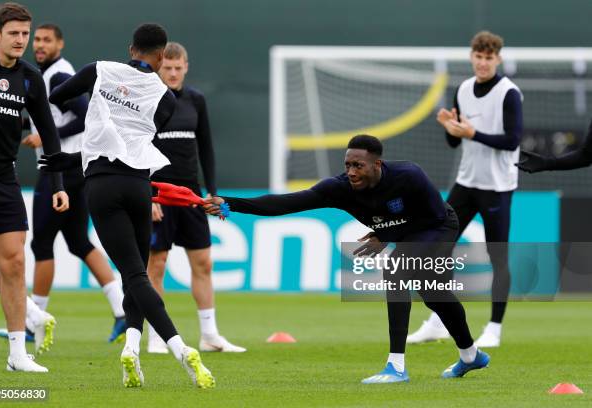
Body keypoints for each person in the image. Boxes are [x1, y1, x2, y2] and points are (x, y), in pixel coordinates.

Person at [203, 134, 490, 383]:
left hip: (437, 226)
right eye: (348, 165)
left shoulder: (409, 176)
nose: (351, 172)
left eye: (358, 165)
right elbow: (287, 203)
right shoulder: (339, 189)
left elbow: (434, 216)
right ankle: (470, 355)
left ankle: (396, 366)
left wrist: (386, 235)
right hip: (410, 232)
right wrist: (231, 204)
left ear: (377, 165)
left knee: (397, 270)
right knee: (433, 296)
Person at [40, 23, 215, 389]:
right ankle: (131, 351)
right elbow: (134, 137)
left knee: (135, 275)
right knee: (135, 274)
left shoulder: (99, 71)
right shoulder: (166, 98)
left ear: (130, 47)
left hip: (103, 187)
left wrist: (98, 105)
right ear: (161, 56)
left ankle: (181, 348)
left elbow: (57, 96)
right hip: (139, 188)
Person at [408, 31, 523, 348]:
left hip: (497, 187)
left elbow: (512, 141)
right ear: (471, 57)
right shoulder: (463, 89)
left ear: (497, 59)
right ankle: (437, 321)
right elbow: (455, 140)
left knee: (497, 256)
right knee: (436, 250)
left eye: (489, 57)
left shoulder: (508, 93)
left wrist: (472, 132)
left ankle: (494, 329)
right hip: (466, 183)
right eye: (479, 56)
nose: (483, 63)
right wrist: (451, 128)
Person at [20, 22, 126, 343]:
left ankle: (32, 322)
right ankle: (122, 310)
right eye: (36, 39)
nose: (38, 45)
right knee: (79, 242)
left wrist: (45, 136)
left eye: (46, 40)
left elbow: (81, 115)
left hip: (60, 170)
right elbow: (53, 115)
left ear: (60, 44)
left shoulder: (58, 75)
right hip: (78, 167)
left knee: (41, 245)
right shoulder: (52, 73)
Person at [0, 2, 68, 372]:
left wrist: (58, 183)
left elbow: (48, 132)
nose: (20, 40)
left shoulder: (31, 78)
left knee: (14, 264)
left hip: (3, 181)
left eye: (24, 34)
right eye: (13, 33)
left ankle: (18, 354)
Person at [146, 42, 244, 353]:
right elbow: (135, 149)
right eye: (167, 68)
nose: (173, 73)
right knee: (156, 265)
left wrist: (211, 191)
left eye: (178, 68)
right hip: (160, 195)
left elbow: (206, 148)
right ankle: (157, 337)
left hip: (191, 196)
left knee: (202, 262)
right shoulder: (147, 100)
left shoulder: (196, 100)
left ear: (186, 67)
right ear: (158, 67)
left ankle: (210, 334)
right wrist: (148, 196)